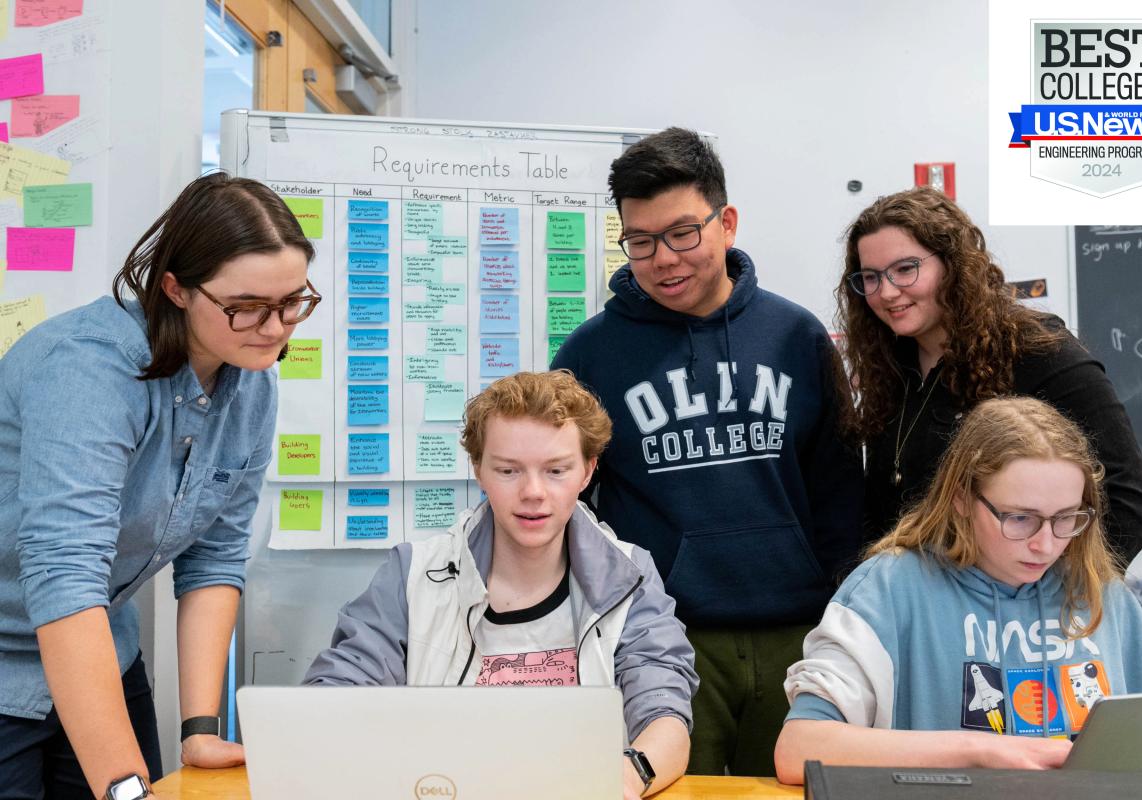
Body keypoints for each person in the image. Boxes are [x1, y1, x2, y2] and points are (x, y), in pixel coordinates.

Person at [550, 127, 863, 776]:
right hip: (658, 640)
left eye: (682, 233)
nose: (663, 258)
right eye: (640, 240)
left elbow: (838, 494)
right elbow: (559, 504)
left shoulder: (796, 337)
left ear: (727, 223)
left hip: (798, 635)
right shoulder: (589, 356)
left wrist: (843, 615)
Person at [0, 173, 319, 800]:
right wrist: (124, 789)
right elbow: (65, 571)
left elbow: (215, 559)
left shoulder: (250, 383)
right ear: (175, 288)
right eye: (248, 306)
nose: (276, 327)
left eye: (293, 302)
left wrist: (199, 730)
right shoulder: (87, 369)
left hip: (101, 654)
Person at [304, 370, 698, 800]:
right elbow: (338, 694)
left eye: (556, 470)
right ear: (479, 469)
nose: (533, 492)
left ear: (587, 471)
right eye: (508, 470)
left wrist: (627, 775)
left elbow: (665, 712)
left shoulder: (630, 577)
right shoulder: (413, 573)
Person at [774, 397, 1142, 781]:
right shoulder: (889, 591)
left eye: (1066, 518)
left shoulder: (1098, 590)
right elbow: (797, 750)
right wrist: (979, 750)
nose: (1046, 544)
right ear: (961, 500)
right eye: (1020, 518)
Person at [836, 187, 1142, 565]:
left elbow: (1128, 504)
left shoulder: (1039, 352)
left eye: (906, 269)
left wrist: (1043, 600)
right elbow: (882, 506)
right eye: (870, 277)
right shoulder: (890, 365)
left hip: (1014, 616)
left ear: (952, 266)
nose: (887, 292)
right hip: (917, 611)